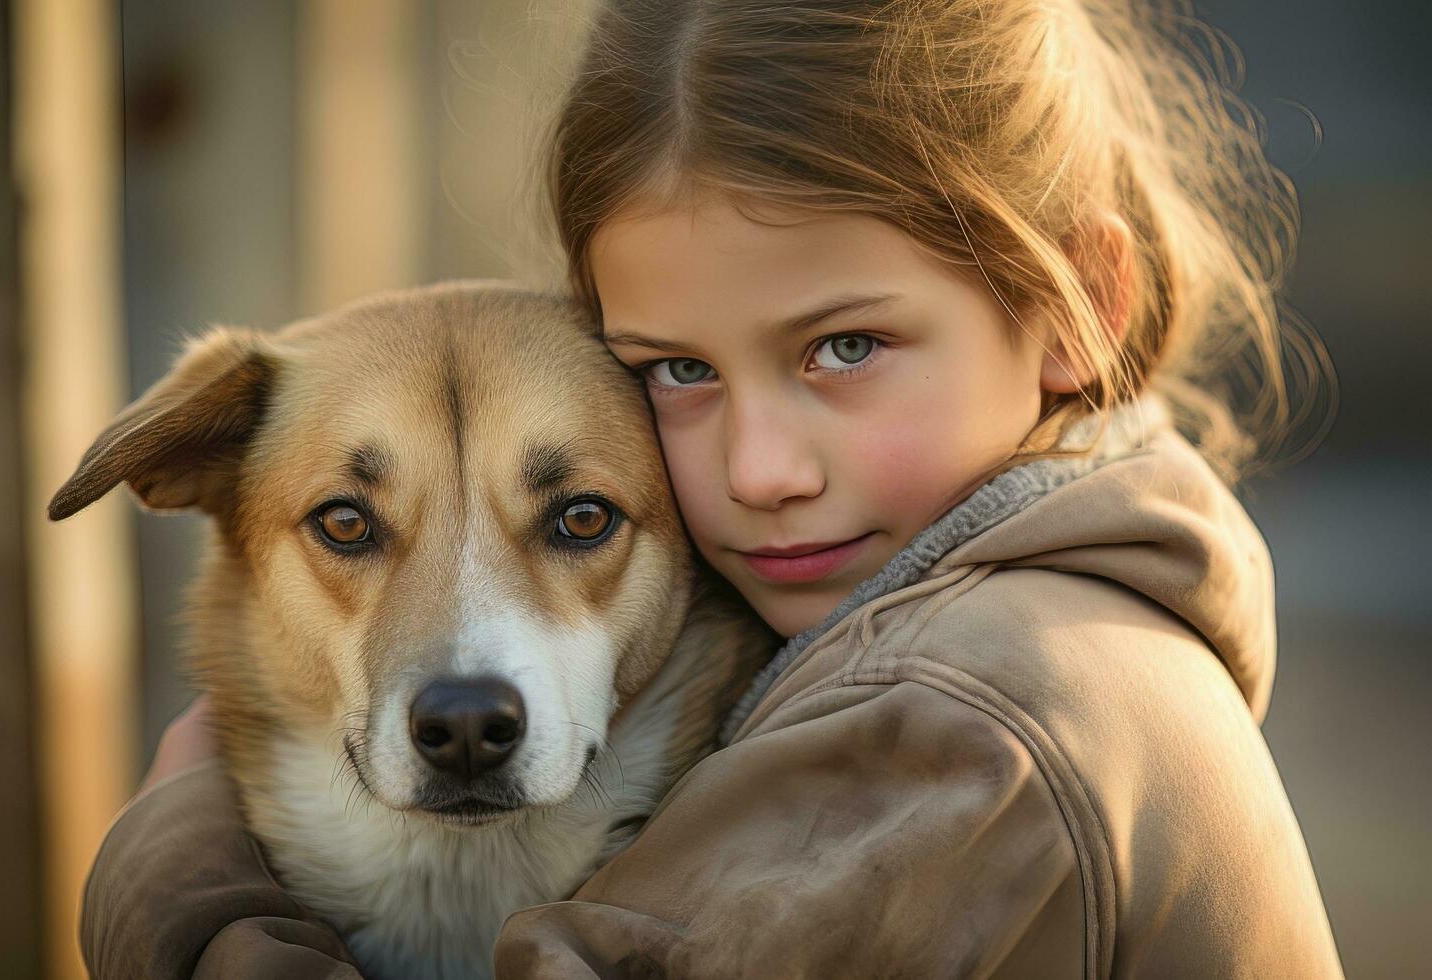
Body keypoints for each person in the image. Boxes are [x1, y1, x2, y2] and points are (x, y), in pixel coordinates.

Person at [81, 0, 1345, 976]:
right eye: (680, 368)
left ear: (1075, 314)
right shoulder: (967, 624)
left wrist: (172, 864)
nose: (758, 470)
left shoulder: (961, 719)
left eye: (846, 347)